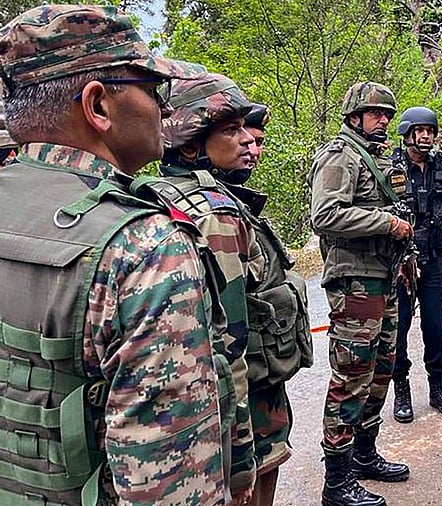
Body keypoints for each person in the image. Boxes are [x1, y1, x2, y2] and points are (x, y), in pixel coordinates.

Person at [0, 4, 228, 504]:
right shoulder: (145, 246)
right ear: (98, 106)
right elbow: (168, 485)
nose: (166, 110)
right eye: (152, 89)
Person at [153, 73, 259, 503]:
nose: (245, 139)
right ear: (193, 143)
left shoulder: (153, 195)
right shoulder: (216, 213)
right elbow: (230, 344)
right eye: (230, 130)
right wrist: (242, 453)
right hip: (227, 401)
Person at [308, 81, 413, 506]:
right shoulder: (340, 156)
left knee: (380, 371)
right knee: (351, 377)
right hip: (355, 283)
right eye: (376, 113)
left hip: (383, 278)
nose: (385, 120)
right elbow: (325, 214)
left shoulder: (374, 157)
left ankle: (364, 455)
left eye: (388, 114)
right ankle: (336, 481)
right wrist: (386, 223)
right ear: (355, 115)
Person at [241, 102, 314, 506]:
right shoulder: (210, 212)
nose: (251, 148)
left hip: (261, 378)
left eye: (257, 141)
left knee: (268, 464)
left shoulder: (238, 205)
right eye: (239, 136)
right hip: (238, 384)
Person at [390, 107, 442, 424]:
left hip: (434, 259)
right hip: (400, 262)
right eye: (419, 131)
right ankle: (401, 389)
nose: (426, 136)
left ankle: (437, 386)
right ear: (406, 133)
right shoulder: (389, 168)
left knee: (435, 325)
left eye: (430, 131)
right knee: (398, 328)